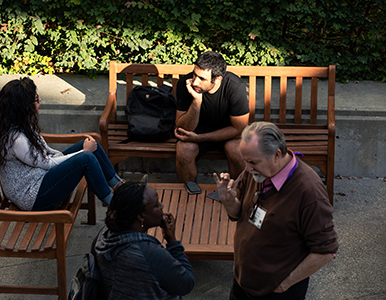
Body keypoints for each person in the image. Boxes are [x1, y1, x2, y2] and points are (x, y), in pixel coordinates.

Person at [214, 121, 339, 300]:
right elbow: (238, 214)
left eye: (252, 162)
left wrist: (285, 284)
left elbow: (326, 251)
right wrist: (228, 201)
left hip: (277, 292)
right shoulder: (256, 172)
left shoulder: (309, 191)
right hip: (243, 282)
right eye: (245, 161)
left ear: (276, 155)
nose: (247, 168)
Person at [0, 77, 123, 211]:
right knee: (87, 157)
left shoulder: (17, 124)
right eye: (35, 99)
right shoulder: (15, 139)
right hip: (34, 197)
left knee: (92, 144)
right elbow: (46, 164)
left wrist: (62, 155)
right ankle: (116, 207)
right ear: (23, 106)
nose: (40, 100)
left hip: (40, 178)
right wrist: (82, 152)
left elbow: (44, 153)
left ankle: (120, 188)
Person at [95, 179, 195, 300]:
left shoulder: (104, 236)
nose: (162, 206)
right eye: (157, 205)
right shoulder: (148, 252)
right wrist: (173, 242)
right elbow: (186, 283)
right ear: (141, 216)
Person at [175, 51, 249, 183]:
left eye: (202, 79)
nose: (195, 82)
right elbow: (183, 127)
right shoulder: (185, 84)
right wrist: (196, 102)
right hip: (196, 129)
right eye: (195, 75)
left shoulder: (235, 87)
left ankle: (237, 194)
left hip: (228, 131)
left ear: (217, 79)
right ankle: (189, 195)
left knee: (237, 151)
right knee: (184, 150)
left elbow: (239, 128)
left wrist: (199, 138)